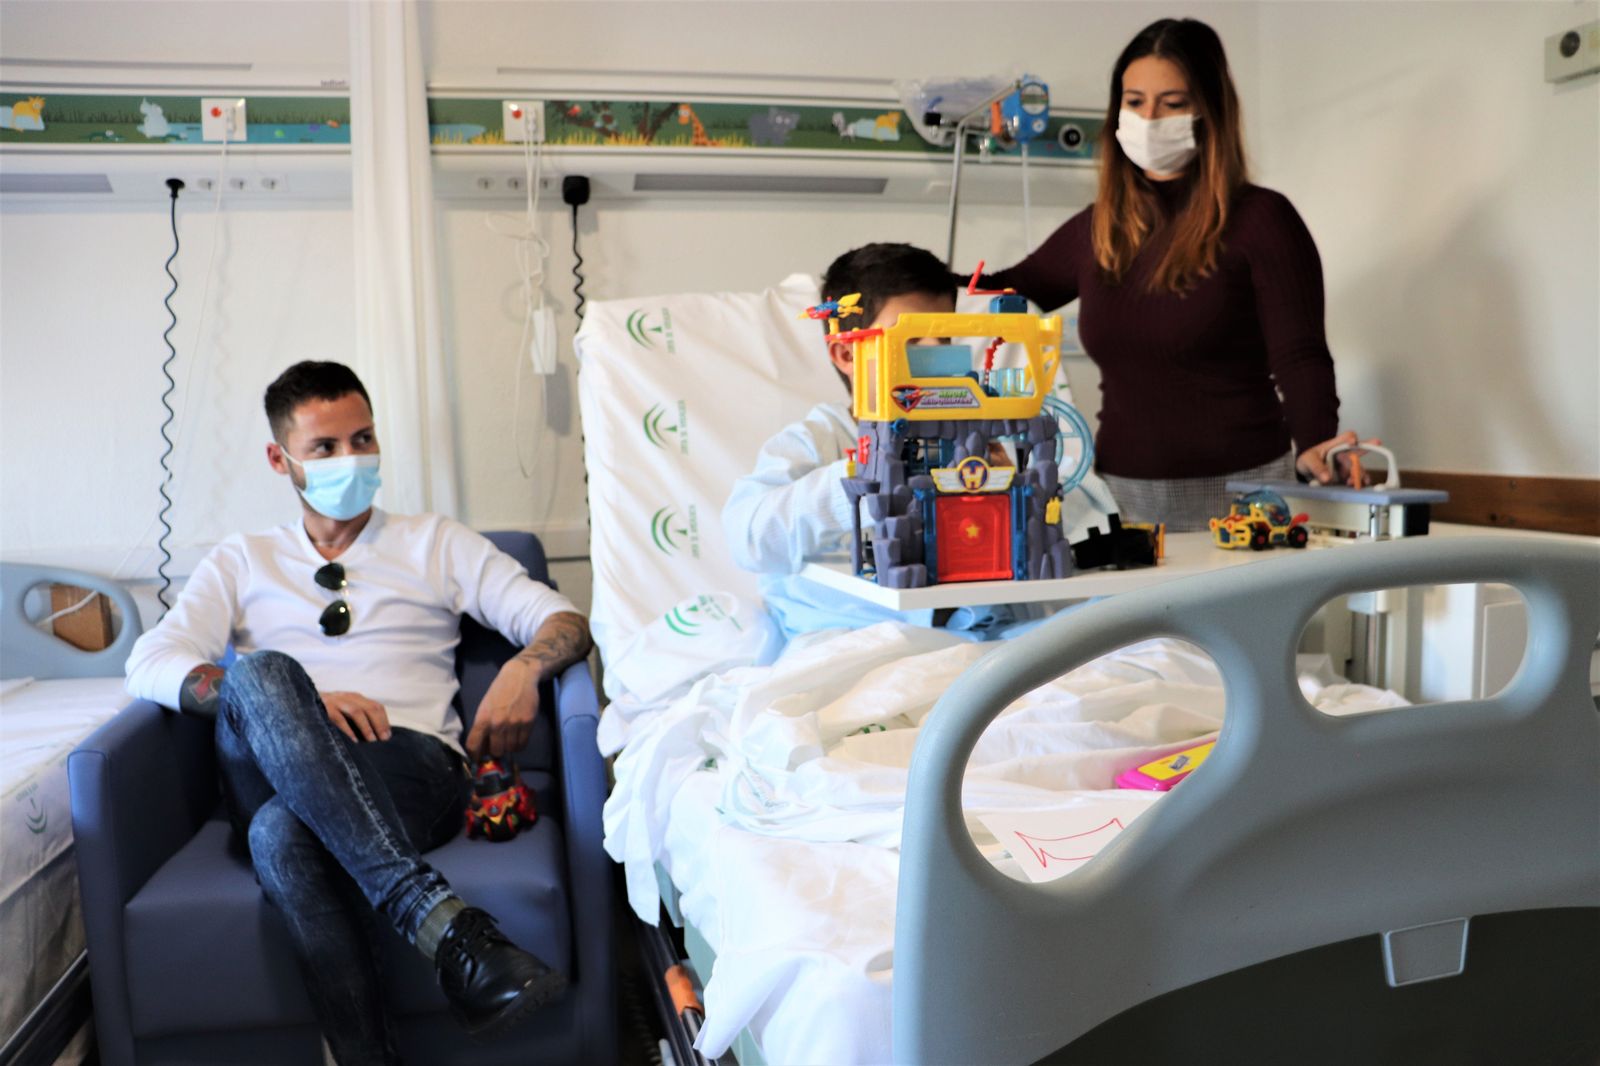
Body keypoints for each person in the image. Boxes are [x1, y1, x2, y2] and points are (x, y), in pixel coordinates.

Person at [124, 361, 592, 1066]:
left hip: (410, 767)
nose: (354, 459)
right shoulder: (242, 560)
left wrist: (526, 667)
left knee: (284, 836)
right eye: (327, 447)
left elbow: (559, 617)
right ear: (280, 459)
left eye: (364, 438)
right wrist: (297, 703)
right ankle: (447, 929)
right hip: (267, 771)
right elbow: (148, 663)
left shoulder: (435, 542)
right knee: (266, 674)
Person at [982, 17, 1376, 532]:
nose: (1149, 118)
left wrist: (1317, 440)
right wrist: (895, 282)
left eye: (1172, 103)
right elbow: (998, 295)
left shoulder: (1262, 220)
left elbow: (1299, 355)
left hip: (1245, 495)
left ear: (1209, 113)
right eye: (1135, 101)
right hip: (1121, 497)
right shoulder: (1099, 228)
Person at [721, 243, 960, 636]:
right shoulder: (818, 441)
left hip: (971, 634)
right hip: (851, 637)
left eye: (945, 338)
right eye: (913, 340)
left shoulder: (971, 434)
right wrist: (858, 480)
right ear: (847, 354)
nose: (936, 355)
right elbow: (747, 537)